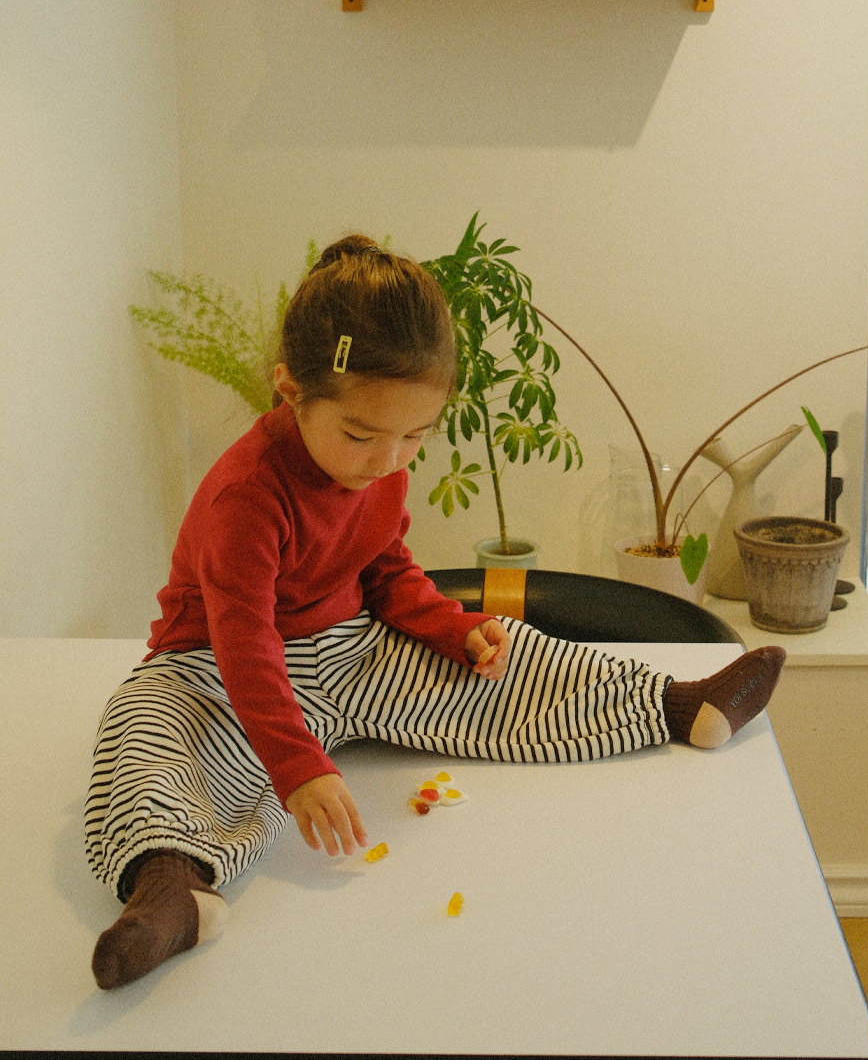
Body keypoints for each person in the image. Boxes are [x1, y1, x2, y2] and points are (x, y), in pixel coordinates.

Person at [86, 235, 785, 990]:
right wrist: (297, 767)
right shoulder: (244, 495)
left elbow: (388, 571)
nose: (389, 460)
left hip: (350, 649)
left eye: (415, 437)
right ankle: (170, 887)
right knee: (142, 730)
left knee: (515, 652)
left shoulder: (382, 467)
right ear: (289, 388)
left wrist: (456, 628)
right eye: (361, 436)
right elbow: (243, 643)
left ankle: (675, 704)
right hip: (214, 668)